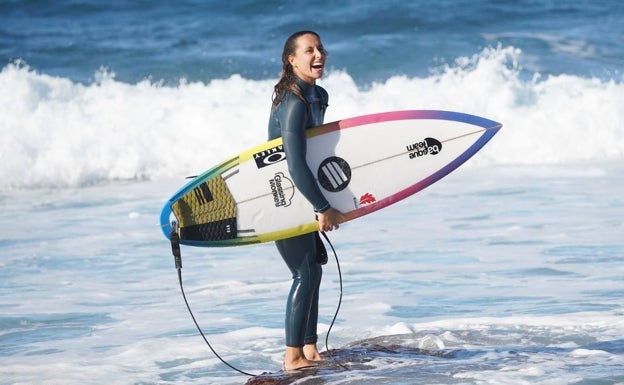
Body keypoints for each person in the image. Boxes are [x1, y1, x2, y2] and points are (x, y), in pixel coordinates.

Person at [267, 30, 344, 371]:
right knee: (303, 273)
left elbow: (317, 153)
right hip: (280, 194)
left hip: (304, 192)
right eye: (309, 50)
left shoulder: (318, 95)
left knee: (313, 270)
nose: (318, 55)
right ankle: (292, 356)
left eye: (321, 49)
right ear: (291, 59)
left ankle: (310, 348)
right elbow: (295, 164)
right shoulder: (293, 102)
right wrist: (324, 206)